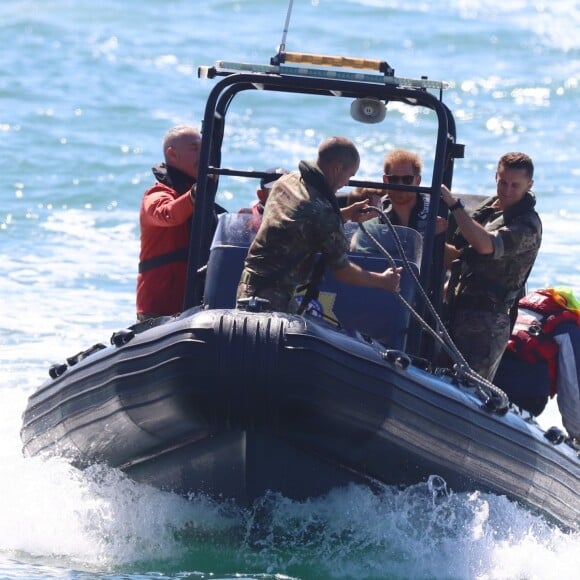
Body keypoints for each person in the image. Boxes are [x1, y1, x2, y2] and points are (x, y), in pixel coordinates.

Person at [236, 136, 402, 313]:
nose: (347, 183)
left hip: (247, 286)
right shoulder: (324, 213)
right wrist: (382, 281)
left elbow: (301, 219)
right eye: (349, 175)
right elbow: (342, 270)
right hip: (272, 297)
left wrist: (344, 215)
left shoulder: (287, 181)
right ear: (337, 168)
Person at [441, 151, 542, 381]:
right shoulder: (491, 210)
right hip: (457, 309)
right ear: (495, 176)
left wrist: (455, 207)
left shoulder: (527, 225)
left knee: (469, 392)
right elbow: (459, 253)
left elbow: (487, 245)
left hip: (488, 323)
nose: (506, 190)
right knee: (439, 379)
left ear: (529, 185)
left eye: (515, 185)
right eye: (502, 182)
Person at [494, 287, 580, 441]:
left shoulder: (523, 304)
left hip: (485, 381)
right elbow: (573, 392)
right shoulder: (569, 326)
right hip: (523, 396)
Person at [136, 125, 201, 322]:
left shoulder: (199, 198)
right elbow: (167, 214)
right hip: (159, 310)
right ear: (172, 154)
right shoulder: (157, 195)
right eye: (194, 148)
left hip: (193, 307)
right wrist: (194, 196)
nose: (204, 153)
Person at [380, 149, 447, 236]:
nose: (400, 185)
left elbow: (456, 249)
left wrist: (435, 238)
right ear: (385, 180)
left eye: (407, 179)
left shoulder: (436, 210)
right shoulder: (377, 211)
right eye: (394, 179)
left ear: (418, 181)